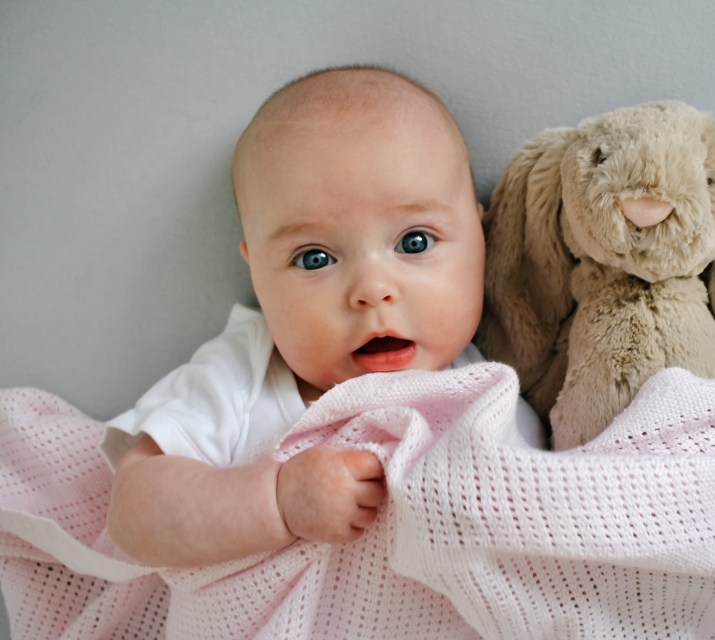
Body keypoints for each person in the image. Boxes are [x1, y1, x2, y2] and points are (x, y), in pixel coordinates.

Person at [103, 65, 542, 568]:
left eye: (414, 242)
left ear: (480, 238)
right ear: (258, 274)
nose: (372, 291)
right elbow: (134, 510)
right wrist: (276, 501)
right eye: (315, 258)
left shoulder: (488, 389)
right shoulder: (243, 377)